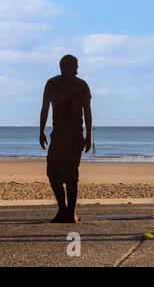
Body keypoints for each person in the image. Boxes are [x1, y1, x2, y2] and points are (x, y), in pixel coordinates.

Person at [40, 55, 92, 223]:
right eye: (74, 66)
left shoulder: (81, 85)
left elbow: (87, 113)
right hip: (59, 135)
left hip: (75, 135)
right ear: (65, 67)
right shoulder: (52, 84)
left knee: (71, 175)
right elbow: (45, 109)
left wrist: (89, 135)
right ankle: (63, 209)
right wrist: (41, 131)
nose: (77, 70)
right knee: (53, 173)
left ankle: (71, 213)